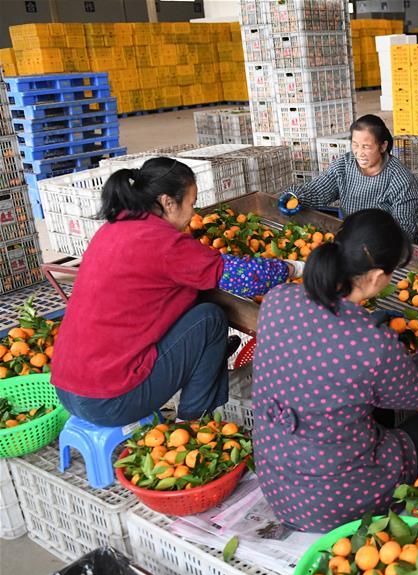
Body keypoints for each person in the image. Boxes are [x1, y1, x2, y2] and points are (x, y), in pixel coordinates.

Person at [51, 158, 296, 427]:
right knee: (210, 318)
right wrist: (293, 268)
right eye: (191, 203)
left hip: (67, 387)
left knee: (191, 305)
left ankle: (216, 372)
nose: (193, 212)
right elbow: (245, 278)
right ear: (168, 202)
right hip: (111, 399)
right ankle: (191, 424)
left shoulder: (113, 228)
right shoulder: (164, 244)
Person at [252, 209, 418, 532]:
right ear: (374, 278)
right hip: (337, 500)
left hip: (278, 484)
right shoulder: (372, 344)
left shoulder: (277, 300)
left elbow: (319, 353)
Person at [278, 115, 418, 238]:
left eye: (366, 147)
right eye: (355, 145)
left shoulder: (402, 180)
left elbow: (403, 229)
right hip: (351, 237)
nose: (359, 153)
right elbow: (319, 189)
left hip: (383, 245)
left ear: (383, 146)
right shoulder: (345, 165)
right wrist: (296, 196)